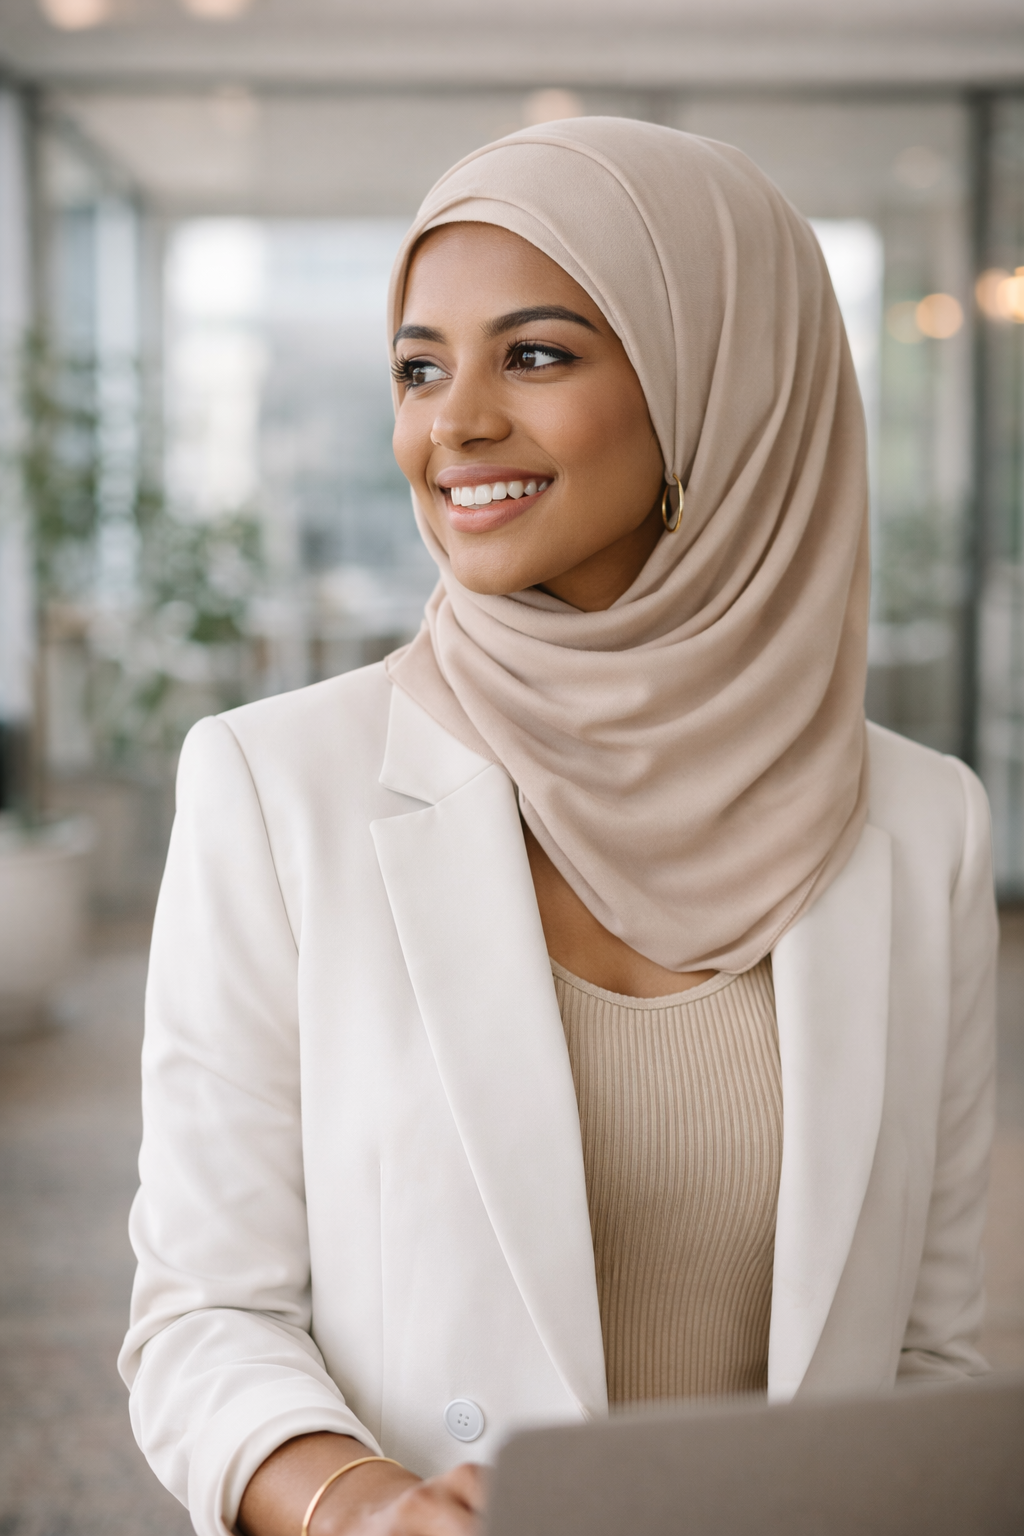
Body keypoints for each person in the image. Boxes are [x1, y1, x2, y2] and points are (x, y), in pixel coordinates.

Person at [119, 118, 997, 1536]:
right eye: (419, 368)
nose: (452, 423)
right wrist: (369, 1510)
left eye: (534, 354)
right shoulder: (275, 786)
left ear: (718, 388)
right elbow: (203, 1318)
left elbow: (929, 1359)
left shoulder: (922, 823)